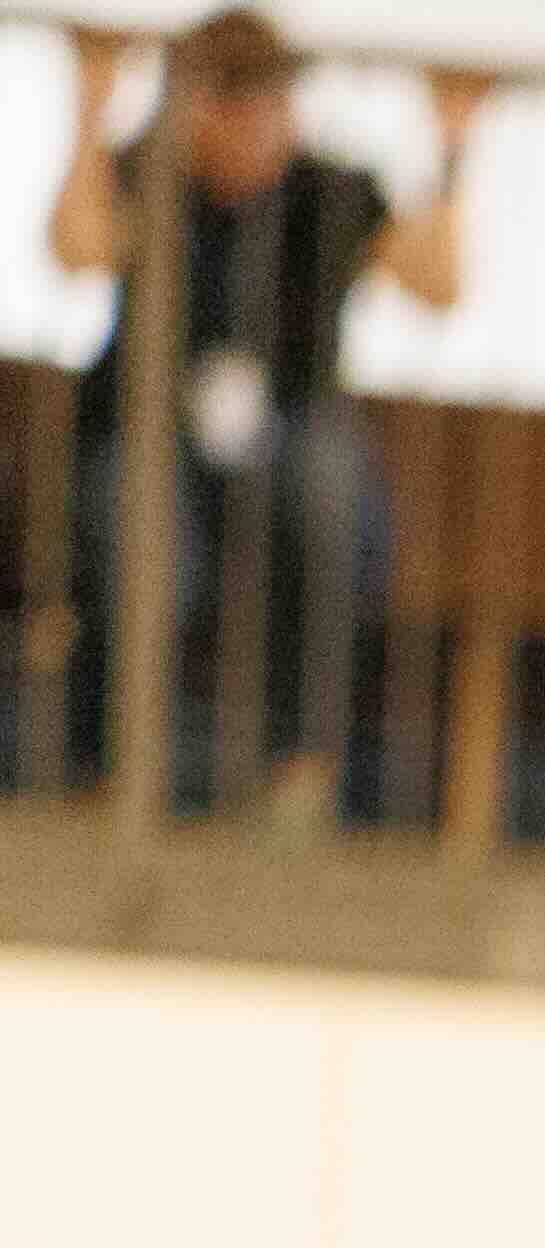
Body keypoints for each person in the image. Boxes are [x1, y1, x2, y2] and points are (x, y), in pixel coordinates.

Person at [37, 14, 476, 798]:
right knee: (139, 527)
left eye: (263, 98)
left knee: (331, 495)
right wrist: (89, 109)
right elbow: (76, 249)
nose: (247, 121)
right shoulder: (152, 172)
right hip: (152, 439)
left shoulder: (330, 188)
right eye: (224, 98)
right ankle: (109, 773)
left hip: (292, 442)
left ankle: (300, 774)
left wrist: (452, 146)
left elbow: (439, 285)